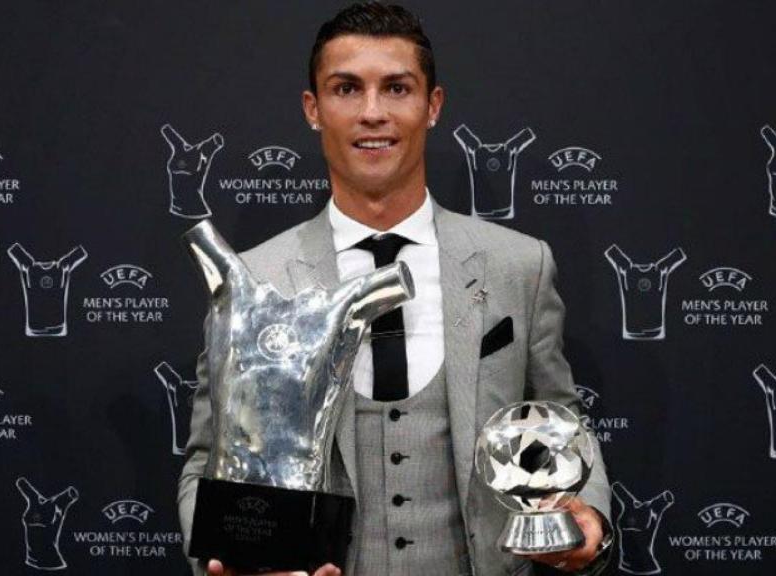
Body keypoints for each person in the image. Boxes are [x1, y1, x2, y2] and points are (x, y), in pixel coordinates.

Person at [178, 3, 612, 575]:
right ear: (314, 109)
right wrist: (233, 558)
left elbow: (557, 415)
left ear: (432, 106)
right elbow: (207, 459)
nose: (373, 113)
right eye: (346, 89)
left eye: (398, 88)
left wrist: (592, 524)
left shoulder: (518, 264)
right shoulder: (255, 276)